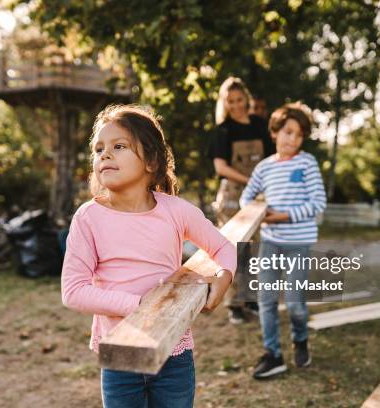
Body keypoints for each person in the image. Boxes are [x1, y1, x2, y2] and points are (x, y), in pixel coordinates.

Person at [61, 104, 236, 408]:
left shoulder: (175, 211)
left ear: (152, 160)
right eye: (98, 148)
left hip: (174, 353)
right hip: (120, 356)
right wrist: (139, 306)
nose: (104, 154)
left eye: (119, 146)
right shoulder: (88, 218)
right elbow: (73, 292)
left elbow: (224, 248)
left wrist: (224, 277)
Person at [240, 103, 326, 380]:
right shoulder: (264, 168)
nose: (293, 139)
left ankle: (300, 339)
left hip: (299, 243)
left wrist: (283, 216)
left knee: (294, 304)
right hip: (270, 243)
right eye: (288, 132)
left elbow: (317, 203)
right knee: (265, 300)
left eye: (299, 135)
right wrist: (258, 213)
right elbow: (246, 196)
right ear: (275, 132)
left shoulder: (307, 163)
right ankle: (272, 354)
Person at [208, 77, 275, 324]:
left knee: (254, 249)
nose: (236, 106)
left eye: (239, 100)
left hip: (257, 195)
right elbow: (221, 167)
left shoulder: (259, 125)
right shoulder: (222, 130)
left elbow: (271, 159)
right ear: (224, 103)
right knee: (235, 249)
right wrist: (250, 179)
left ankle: (251, 300)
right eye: (230, 101)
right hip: (232, 197)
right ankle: (233, 304)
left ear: (246, 99)